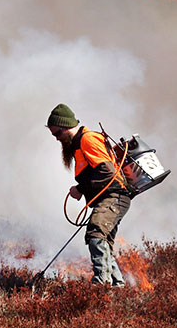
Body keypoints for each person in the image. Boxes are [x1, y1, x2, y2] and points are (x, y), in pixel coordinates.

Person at [46, 103, 130, 287]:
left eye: (57, 134)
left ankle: (101, 286)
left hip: (114, 196)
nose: (57, 138)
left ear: (67, 127)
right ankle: (117, 286)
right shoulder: (78, 145)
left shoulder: (87, 140)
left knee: (95, 233)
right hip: (109, 197)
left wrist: (81, 189)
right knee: (102, 239)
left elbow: (107, 173)